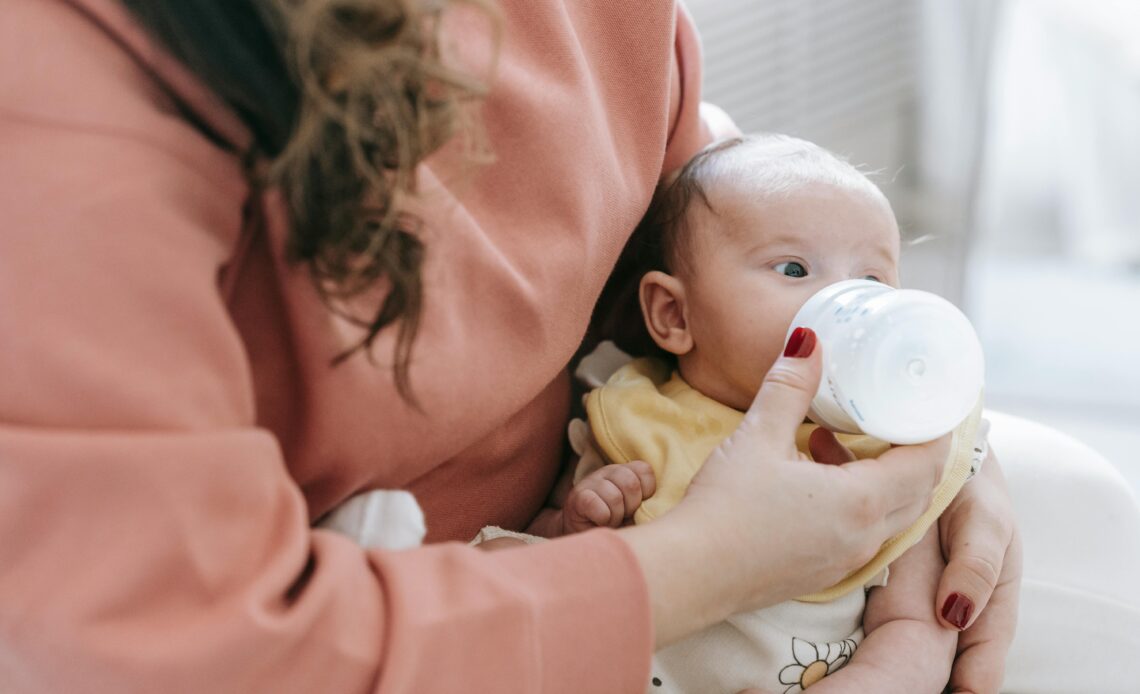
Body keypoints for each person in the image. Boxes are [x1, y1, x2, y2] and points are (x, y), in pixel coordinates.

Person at [0, 0, 1030, 692]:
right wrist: (700, 563)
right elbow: (180, 642)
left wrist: (905, 408)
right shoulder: (65, 94)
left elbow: (667, 172)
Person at [516, 133, 982, 693]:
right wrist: (572, 527)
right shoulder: (636, 413)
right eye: (793, 270)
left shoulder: (885, 459)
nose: (848, 305)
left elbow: (913, 626)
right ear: (673, 314)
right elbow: (541, 560)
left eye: (870, 280)